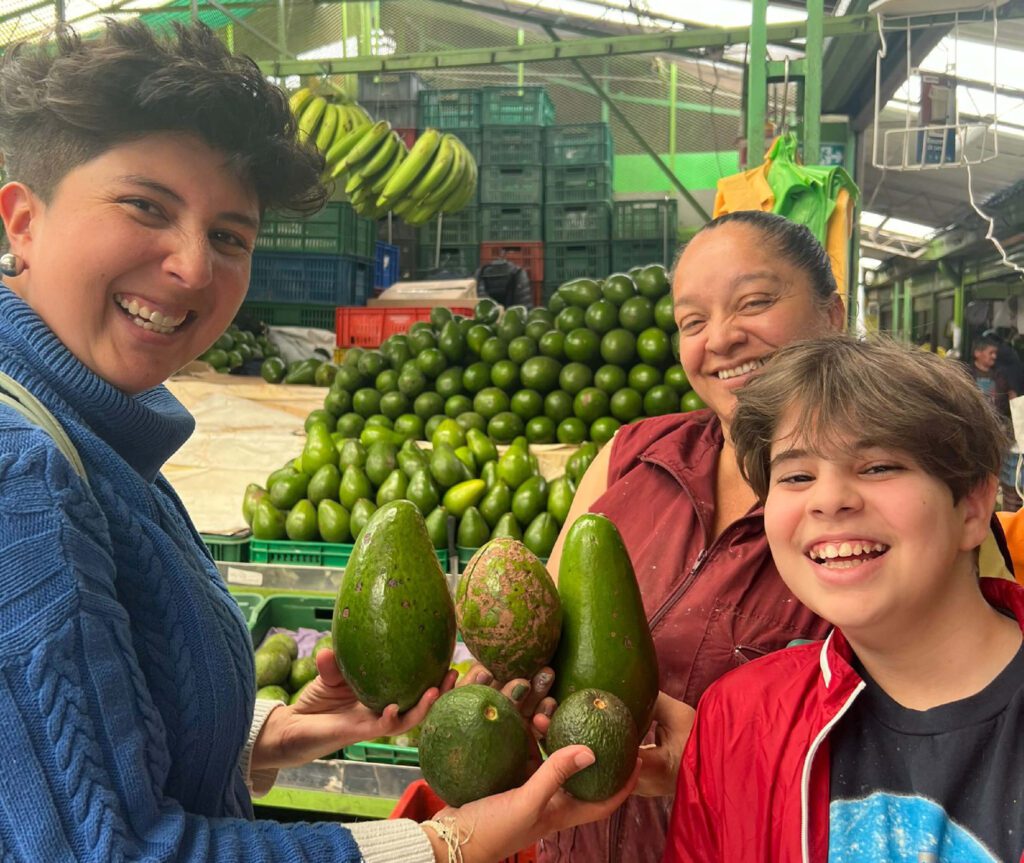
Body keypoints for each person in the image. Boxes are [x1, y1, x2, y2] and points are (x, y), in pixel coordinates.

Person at [0, 20, 634, 862]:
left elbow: (79, 753)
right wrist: (441, 843)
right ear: (22, 219)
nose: (193, 266)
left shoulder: (102, 434)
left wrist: (276, 734)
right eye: (145, 206)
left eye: (230, 236)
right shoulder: (24, 471)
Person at [536, 210, 844, 863]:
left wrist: (711, 760)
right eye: (692, 322)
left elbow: (926, 756)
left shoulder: (872, 510)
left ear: (832, 314)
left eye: (754, 302)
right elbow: (542, 627)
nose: (722, 339)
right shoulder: (631, 456)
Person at [664, 334, 1024, 863]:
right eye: (797, 475)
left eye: (878, 467)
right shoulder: (737, 721)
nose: (829, 500)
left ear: (972, 505)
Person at [966, 334, 1021, 512]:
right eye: (990, 353)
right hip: (973, 430)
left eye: (995, 353)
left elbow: (1010, 399)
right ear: (978, 353)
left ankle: (989, 503)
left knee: (996, 468)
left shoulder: (1000, 376)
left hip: (997, 430)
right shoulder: (965, 374)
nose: (994, 357)